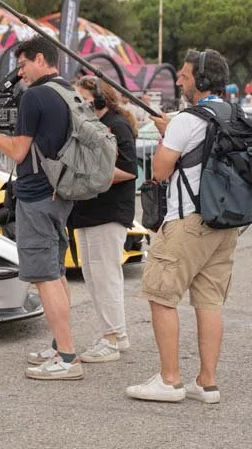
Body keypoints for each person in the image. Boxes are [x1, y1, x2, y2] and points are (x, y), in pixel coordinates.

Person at [126, 49, 239, 404]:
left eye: (185, 75)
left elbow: (160, 171)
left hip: (187, 221)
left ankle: (169, 380)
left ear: (201, 81)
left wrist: (167, 135)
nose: (178, 81)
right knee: (210, 302)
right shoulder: (234, 114)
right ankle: (207, 383)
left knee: (160, 296)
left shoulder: (187, 120)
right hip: (224, 223)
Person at [0, 35, 81, 380]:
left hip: (37, 195)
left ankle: (67, 358)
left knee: (45, 277)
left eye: (23, 64)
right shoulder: (67, 91)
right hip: (60, 192)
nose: (20, 73)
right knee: (57, 273)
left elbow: (18, 151)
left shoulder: (35, 96)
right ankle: (60, 346)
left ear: (40, 59)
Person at [70, 77, 138, 363]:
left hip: (108, 211)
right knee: (94, 277)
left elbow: (129, 169)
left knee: (105, 276)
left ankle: (112, 337)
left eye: (81, 98)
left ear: (98, 99)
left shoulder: (116, 126)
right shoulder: (91, 126)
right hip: (89, 211)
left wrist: (90, 176)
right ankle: (114, 334)